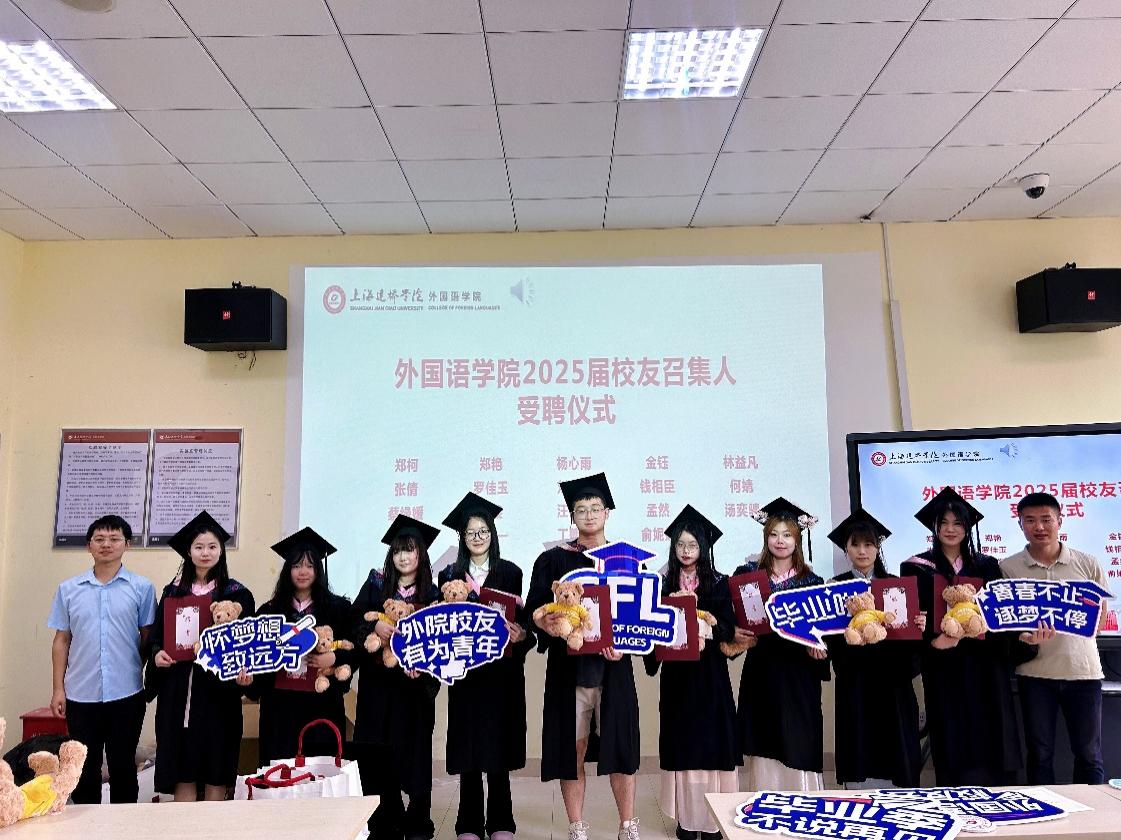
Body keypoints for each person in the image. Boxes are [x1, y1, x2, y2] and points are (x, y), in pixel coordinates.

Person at [526, 472, 641, 840]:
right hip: (570, 671)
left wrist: (626, 642)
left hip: (614, 668)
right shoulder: (553, 560)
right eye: (581, 509)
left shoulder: (625, 559)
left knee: (620, 746)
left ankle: (628, 825)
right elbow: (534, 611)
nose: (589, 515)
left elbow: (640, 615)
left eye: (595, 508)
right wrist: (547, 624)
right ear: (572, 516)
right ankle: (576, 826)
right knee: (572, 748)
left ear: (607, 513)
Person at [900, 487, 1040, 786]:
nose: (950, 529)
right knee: (951, 737)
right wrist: (933, 642)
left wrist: (1022, 638)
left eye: (958, 523)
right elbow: (911, 622)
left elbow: (1002, 616)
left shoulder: (987, 565)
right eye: (944, 523)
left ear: (967, 527)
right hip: (943, 665)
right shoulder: (915, 567)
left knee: (992, 732)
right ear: (934, 527)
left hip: (985, 665)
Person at [438, 492, 533, 840]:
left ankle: (501, 822)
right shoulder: (449, 575)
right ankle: (468, 824)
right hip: (465, 675)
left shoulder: (511, 572)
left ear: (492, 533)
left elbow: (524, 622)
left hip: (501, 676)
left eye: (483, 531)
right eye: (470, 532)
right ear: (462, 537)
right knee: (468, 749)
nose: (477, 538)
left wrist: (522, 633)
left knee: (498, 748)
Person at [144, 511, 255, 801]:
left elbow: (247, 643)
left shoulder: (237, 595)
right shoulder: (172, 592)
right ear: (188, 552)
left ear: (221, 551)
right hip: (179, 690)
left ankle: (213, 823)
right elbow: (156, 637)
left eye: (212, 546)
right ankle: (184, 825)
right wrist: (157, 654)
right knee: (183, 766)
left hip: (218, 692)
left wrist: (245, 671)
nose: (205, 552)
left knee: (217, 762)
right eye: (199, 547)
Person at [47, 514, 156, 804]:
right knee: (84, 768)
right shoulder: (69, 589)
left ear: (127, 544)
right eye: (99, 539)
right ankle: (88, 825)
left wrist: (134, 668)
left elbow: (148, 637)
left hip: (127, 692)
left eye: (114, 538)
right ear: (89, 546)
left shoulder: (142, 588)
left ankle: (124, 825)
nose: (106, 544)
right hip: (80, 693)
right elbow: (61, 640)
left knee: (123, 766)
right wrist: (58, 689)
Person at [644, 505, 738, 840]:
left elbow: (728, 627)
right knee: (682, 745)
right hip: (677, 678)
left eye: (693, 545)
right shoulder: (661, 584)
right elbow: (651, 628)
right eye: (681, 544)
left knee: (712, 746)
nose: (686, 551)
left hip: (710, 676)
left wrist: (705, 628)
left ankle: (712, 821)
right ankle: (687, 818)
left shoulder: (719, 583)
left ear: (704, 547)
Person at [1001, 491, 1106, 784]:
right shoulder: (1008, 568)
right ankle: (1043, 811)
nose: (1039, 527)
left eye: (1046, 519)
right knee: (1040, 754)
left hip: (1083, 673)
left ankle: (1091, 812)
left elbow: (1099, 617)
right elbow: (1006, 625)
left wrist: (1072, 622)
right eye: (1030, 520)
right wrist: (1023, 636)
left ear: (1060, 520)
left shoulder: (1088, 563)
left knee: (1089, 755)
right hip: (1035, 675)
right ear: (1020, 524)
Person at [351, 514, 442, 840]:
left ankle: (418, 822)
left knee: (415, 755)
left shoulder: (432, 593)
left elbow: (441, 642)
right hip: (378, 687)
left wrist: (424, 666)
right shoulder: (376, 586)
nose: (403, 556)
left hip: (413, 688)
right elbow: (353, 622)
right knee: (377, 753)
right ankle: (384, 822)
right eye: (398, 550)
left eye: (410, 550)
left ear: (421, 554)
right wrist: (374, 625)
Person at [731, 497, 829, 791]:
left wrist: (820, 649)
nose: (780, 541)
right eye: (774, 534)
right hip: (763, 671)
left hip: (799, 675)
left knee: (799, 742)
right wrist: (735, 632)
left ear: (797, 540)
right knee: (765, 742)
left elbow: (823, 633)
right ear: (766, 538)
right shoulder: (748, 576)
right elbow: (734, 618)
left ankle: (804, 807)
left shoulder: (813, 581)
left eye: (787, 534)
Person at [824, 509, 925, 789]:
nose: (862, 551)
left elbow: (910, 643)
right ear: (845, 548)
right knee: (860, 752)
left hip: (893, 681)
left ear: (878, 547)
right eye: (855, 544)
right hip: (855, 681)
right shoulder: (835, 588)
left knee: (897, 756)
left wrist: (918, 625)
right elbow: (832, 641)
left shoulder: (897, 586)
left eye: (868, 544)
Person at [252, 527, 354, 767]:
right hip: (280, 708)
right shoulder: (269, 612)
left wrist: (335, 658)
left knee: (320, 772)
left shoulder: (338, 609)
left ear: (318, 570)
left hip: (321, 706)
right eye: (296, 565)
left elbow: (354, 649)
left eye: (309, 565)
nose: (303, 572)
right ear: (288, 570)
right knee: (280, 771)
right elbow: (257, 658)